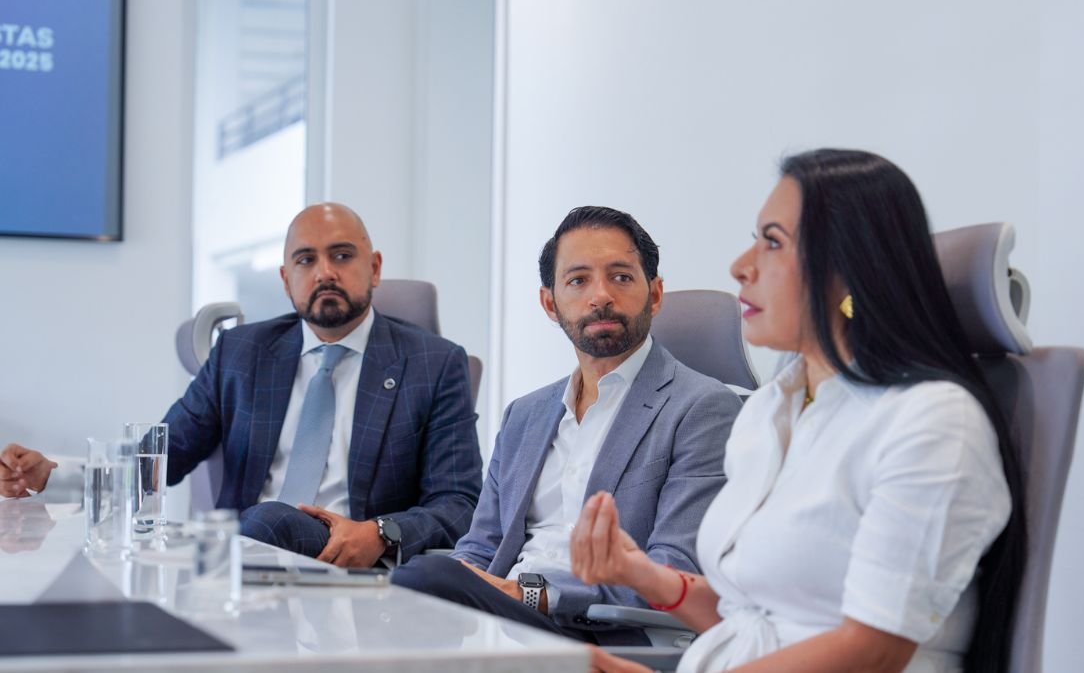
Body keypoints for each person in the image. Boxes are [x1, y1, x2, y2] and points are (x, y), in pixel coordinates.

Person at [574, 150, 1027, 673]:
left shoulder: (933, 423)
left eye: (772, 242)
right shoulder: (772, 409)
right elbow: (758, 620)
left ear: (850, 268)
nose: (741, 267)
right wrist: (643, 574)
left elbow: (872, 651)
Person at [0, 203, 482, 568]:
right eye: (306, 260)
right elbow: (157, 459)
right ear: (285, 279)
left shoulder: (434, 363)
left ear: (373, 268)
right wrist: (54, 476)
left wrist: (379, 533)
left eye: (341, 255)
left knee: (265, 519)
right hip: (247, 570)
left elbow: (459, 504)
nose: (325, 272)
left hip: (360, 576)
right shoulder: (240, 354)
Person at [390, 206, 741, 645]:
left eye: (621, 277)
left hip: (600, 633)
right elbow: (481, 547)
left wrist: (532, 594)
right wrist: (460, 587)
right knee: (408, 592)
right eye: (578, 281)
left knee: (420, 578)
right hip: (497, 627)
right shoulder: (525, 414)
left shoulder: (703, 408)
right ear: (550, 303)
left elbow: (673, 570)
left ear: (654, 295)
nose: (600, 296)